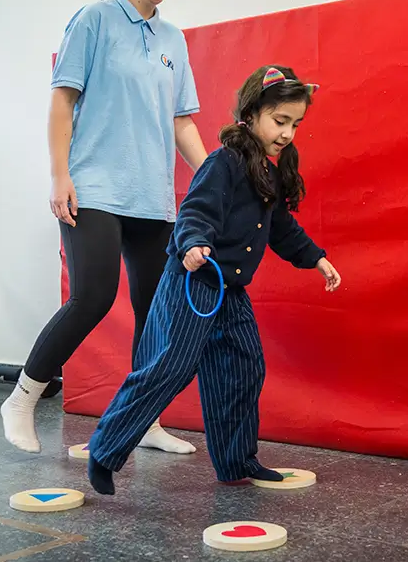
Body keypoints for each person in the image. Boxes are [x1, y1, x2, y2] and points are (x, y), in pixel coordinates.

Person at [0, 0, 209, 456]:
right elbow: (62, 102)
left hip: (151, 197)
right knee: (93, 296)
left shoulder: (173, 40)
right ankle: (21, 398)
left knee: (154, 311)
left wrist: (213, 172)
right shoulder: (93, 20)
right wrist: (59, 176)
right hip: (92, 187)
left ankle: (145, 421)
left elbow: (181, 121)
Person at [85, 65, 342, 495]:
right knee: (170, 367)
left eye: (295, 125)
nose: (287, 133)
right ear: (252, 114)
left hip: (230, 291)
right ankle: (105, 449)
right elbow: (195, 210)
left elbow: (281, 228)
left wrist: (316, 257)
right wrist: (193, 243)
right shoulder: (222, 163)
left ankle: (236, 460)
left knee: (244, 368)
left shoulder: (267, 173)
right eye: (280, 121)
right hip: (194, 283)